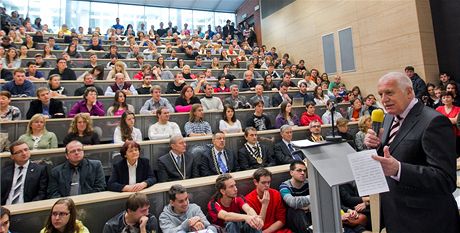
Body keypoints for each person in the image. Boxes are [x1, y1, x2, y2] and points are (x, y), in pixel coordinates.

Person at [364, 72, 460, 233]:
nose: (384, 99)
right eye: (380, 94)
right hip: (396, 215)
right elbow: (391, 155)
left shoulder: (434, 121)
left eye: (389, 92)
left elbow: (445, 179)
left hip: (427, 221)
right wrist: (377, 146)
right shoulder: (387, 118)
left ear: (409, 92)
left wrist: (399, 169)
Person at [1, 140, 48, 205]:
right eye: (19, 152)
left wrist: (29, 206)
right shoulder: (4, 171)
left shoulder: (40, 170)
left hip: (27, 208)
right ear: (12, 156)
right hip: (5, 207)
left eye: (26, 150)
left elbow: (42, 193)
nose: (24, 153)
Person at [245, 168, 291, 233]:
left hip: (275, 230)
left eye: (268, 182)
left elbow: (281, 220)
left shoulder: (276, 194)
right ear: (255, 182)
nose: (267, 185)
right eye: (263, 183)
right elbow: (258, 225)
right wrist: (264, 205)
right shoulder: (248, 199)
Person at [279, 161, 312, 233]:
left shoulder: (309, 183)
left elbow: (320, 199)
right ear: (291, 173)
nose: (303, 173)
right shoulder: (284, 186)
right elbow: (292, 202)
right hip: (293, 218)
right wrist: (311, 199)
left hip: (309, 214)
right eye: (299, 170)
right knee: (296, 210)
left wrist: (307, 206)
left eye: (304, 170)